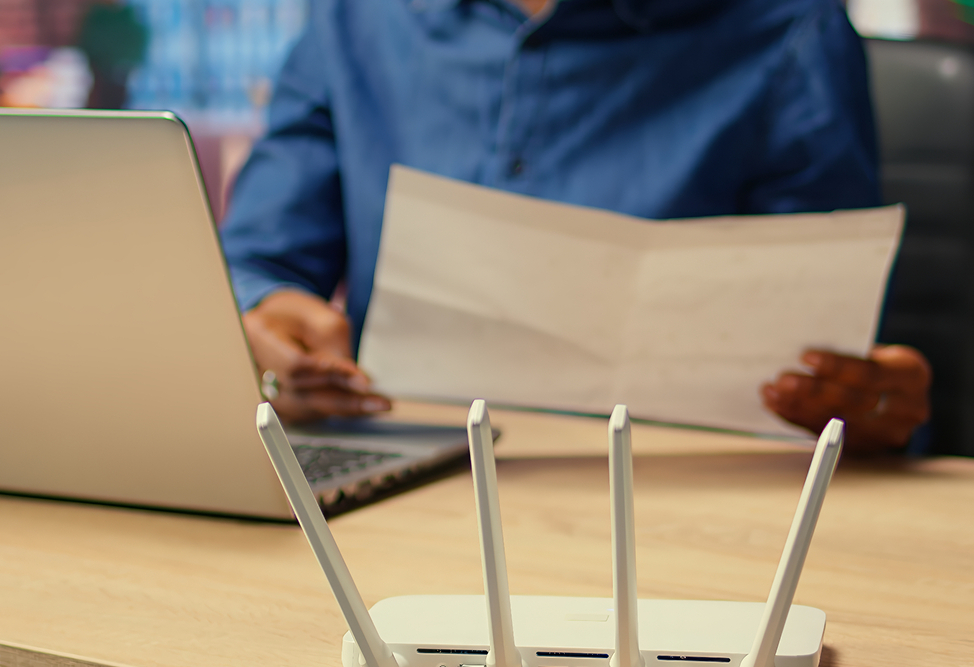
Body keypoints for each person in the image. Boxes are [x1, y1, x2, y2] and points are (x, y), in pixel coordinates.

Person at [221, 0, 931, 453]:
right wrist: (265, 324)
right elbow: (255, 262)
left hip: (672, 512)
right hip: (402, 480)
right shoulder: (355, 19)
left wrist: (856, 401)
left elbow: (824, 357)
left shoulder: (786, 30)